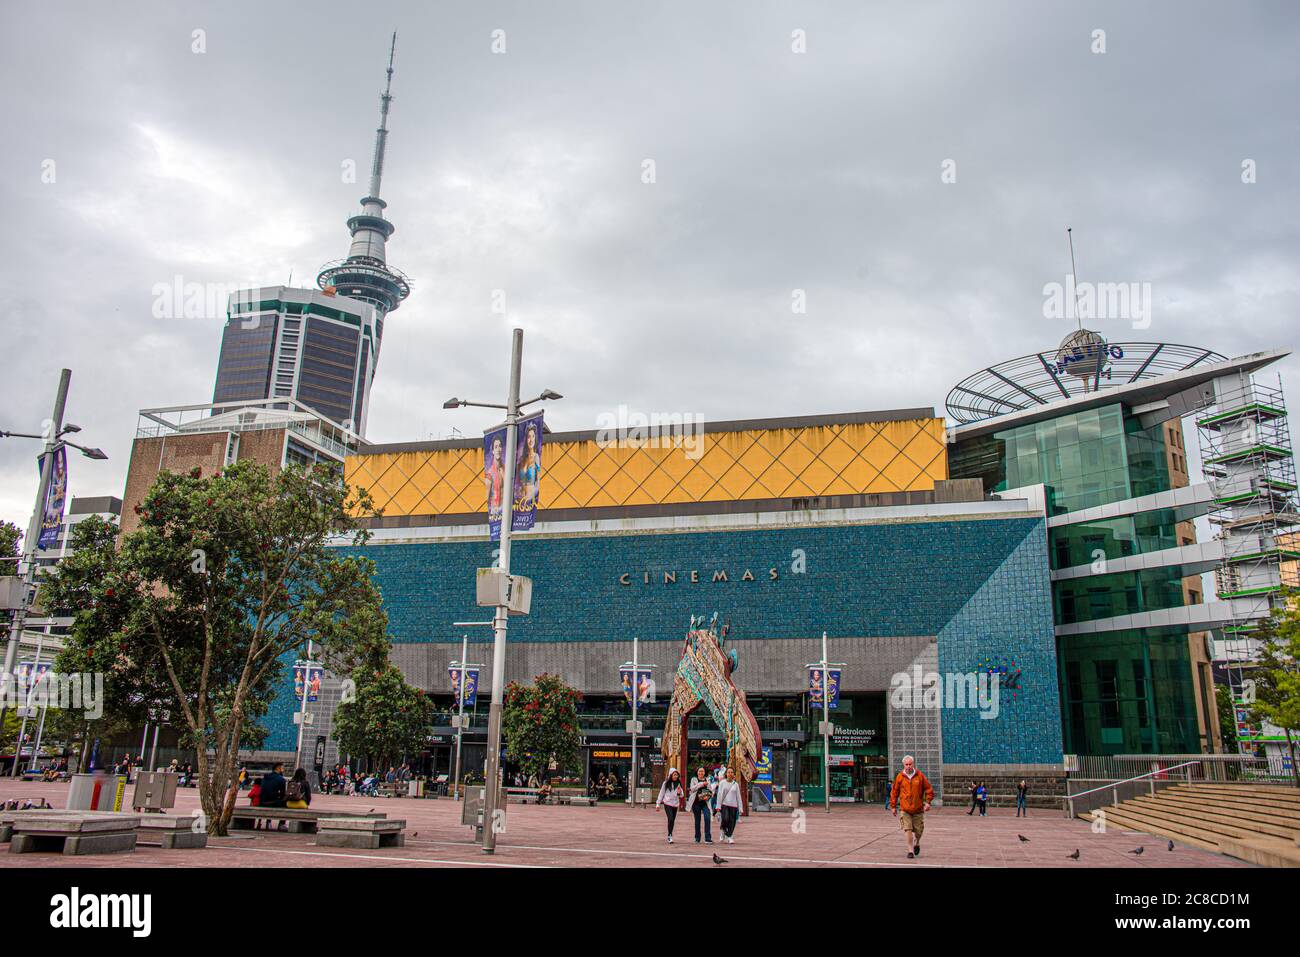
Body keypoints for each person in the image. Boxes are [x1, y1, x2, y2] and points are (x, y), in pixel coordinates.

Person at [889, 754, 934, 860]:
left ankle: (917, 842)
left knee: (919, 831)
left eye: (910, 764)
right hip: (905, 809)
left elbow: (928, 789)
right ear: (903, 765)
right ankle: (910, 851)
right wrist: (893, 806)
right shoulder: (900, 777)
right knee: (907, 829)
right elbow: (894, 792)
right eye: (906, 764)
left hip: (918, 809)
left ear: (913, 764)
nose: (908, 766)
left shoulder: (920, 776)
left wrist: (928, 802)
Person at [655, 768, 684, 843]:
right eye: (674, 775)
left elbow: (681, 796)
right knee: (670, 818)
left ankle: (670, 834)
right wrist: (658, 804)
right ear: (671, 775)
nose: (675, 776)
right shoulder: (666, 783)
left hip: (675, 804)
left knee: (672, 820)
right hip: (667, 803)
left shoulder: (679, 783)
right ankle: (670, 835)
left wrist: (680, 792)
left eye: (677, 775)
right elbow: (661, 793)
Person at [715, 767, 743, 844]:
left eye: (731, 772)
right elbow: (719, 795)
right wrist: (718, 806)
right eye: (728, 772)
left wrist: (740, 808)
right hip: (724, 805)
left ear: (733, 774)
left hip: (733, 806)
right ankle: (723, 832)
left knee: (732, 822)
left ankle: (730, 836)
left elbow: (738, 797)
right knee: (725, 819)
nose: (730, 774)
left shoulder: (736, 784)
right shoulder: (722, 783)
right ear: (726, 774)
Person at [688, 766, 714, 845]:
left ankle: (708, 838)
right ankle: (697, 838)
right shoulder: (694, 779)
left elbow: (711, 791)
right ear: (697, 772)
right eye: (699, 771)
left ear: (705, 772)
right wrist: (702, 784)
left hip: (705, 803)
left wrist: (708, 796)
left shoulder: (708, 780)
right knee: (697, 821)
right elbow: (692, 789)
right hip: (696, 803)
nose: (701, 773)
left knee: (707, 818)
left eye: (702, 771)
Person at [260, 761, 288, 830]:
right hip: (272, 802)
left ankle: (268, 822)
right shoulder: (281, 779)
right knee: (285, 802)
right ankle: (281, 824)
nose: (283, 770)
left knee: (272, 798)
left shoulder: (265, 777)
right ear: (278, 768)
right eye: (282, 768)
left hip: (262, 801)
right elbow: (282, 794)